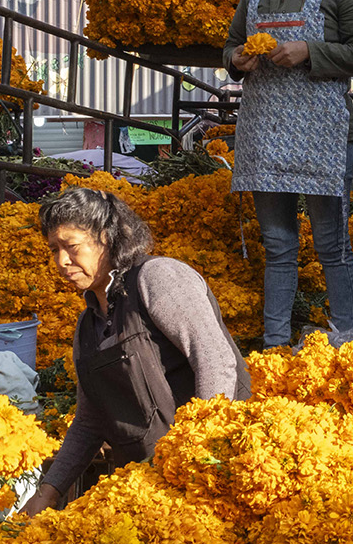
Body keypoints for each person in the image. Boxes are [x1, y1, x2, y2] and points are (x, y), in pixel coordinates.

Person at [222, 0, 353, 347]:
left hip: (321, 133)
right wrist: (237, 60)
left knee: (332, 245)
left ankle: (347, 340)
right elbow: (229, 45)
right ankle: (275, 343)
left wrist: (309, 51)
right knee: (278, 246)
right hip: (263, 132)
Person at [26, 186, 250, 513]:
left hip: (217, 469)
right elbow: (90, 420)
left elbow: (215, 362)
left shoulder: (157, 279)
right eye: (54, 249)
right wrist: (47, 493)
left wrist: (200, 453)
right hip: (152, 488)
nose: (62, 261)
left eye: (71, 246)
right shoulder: (87, 328)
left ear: (106, 238)